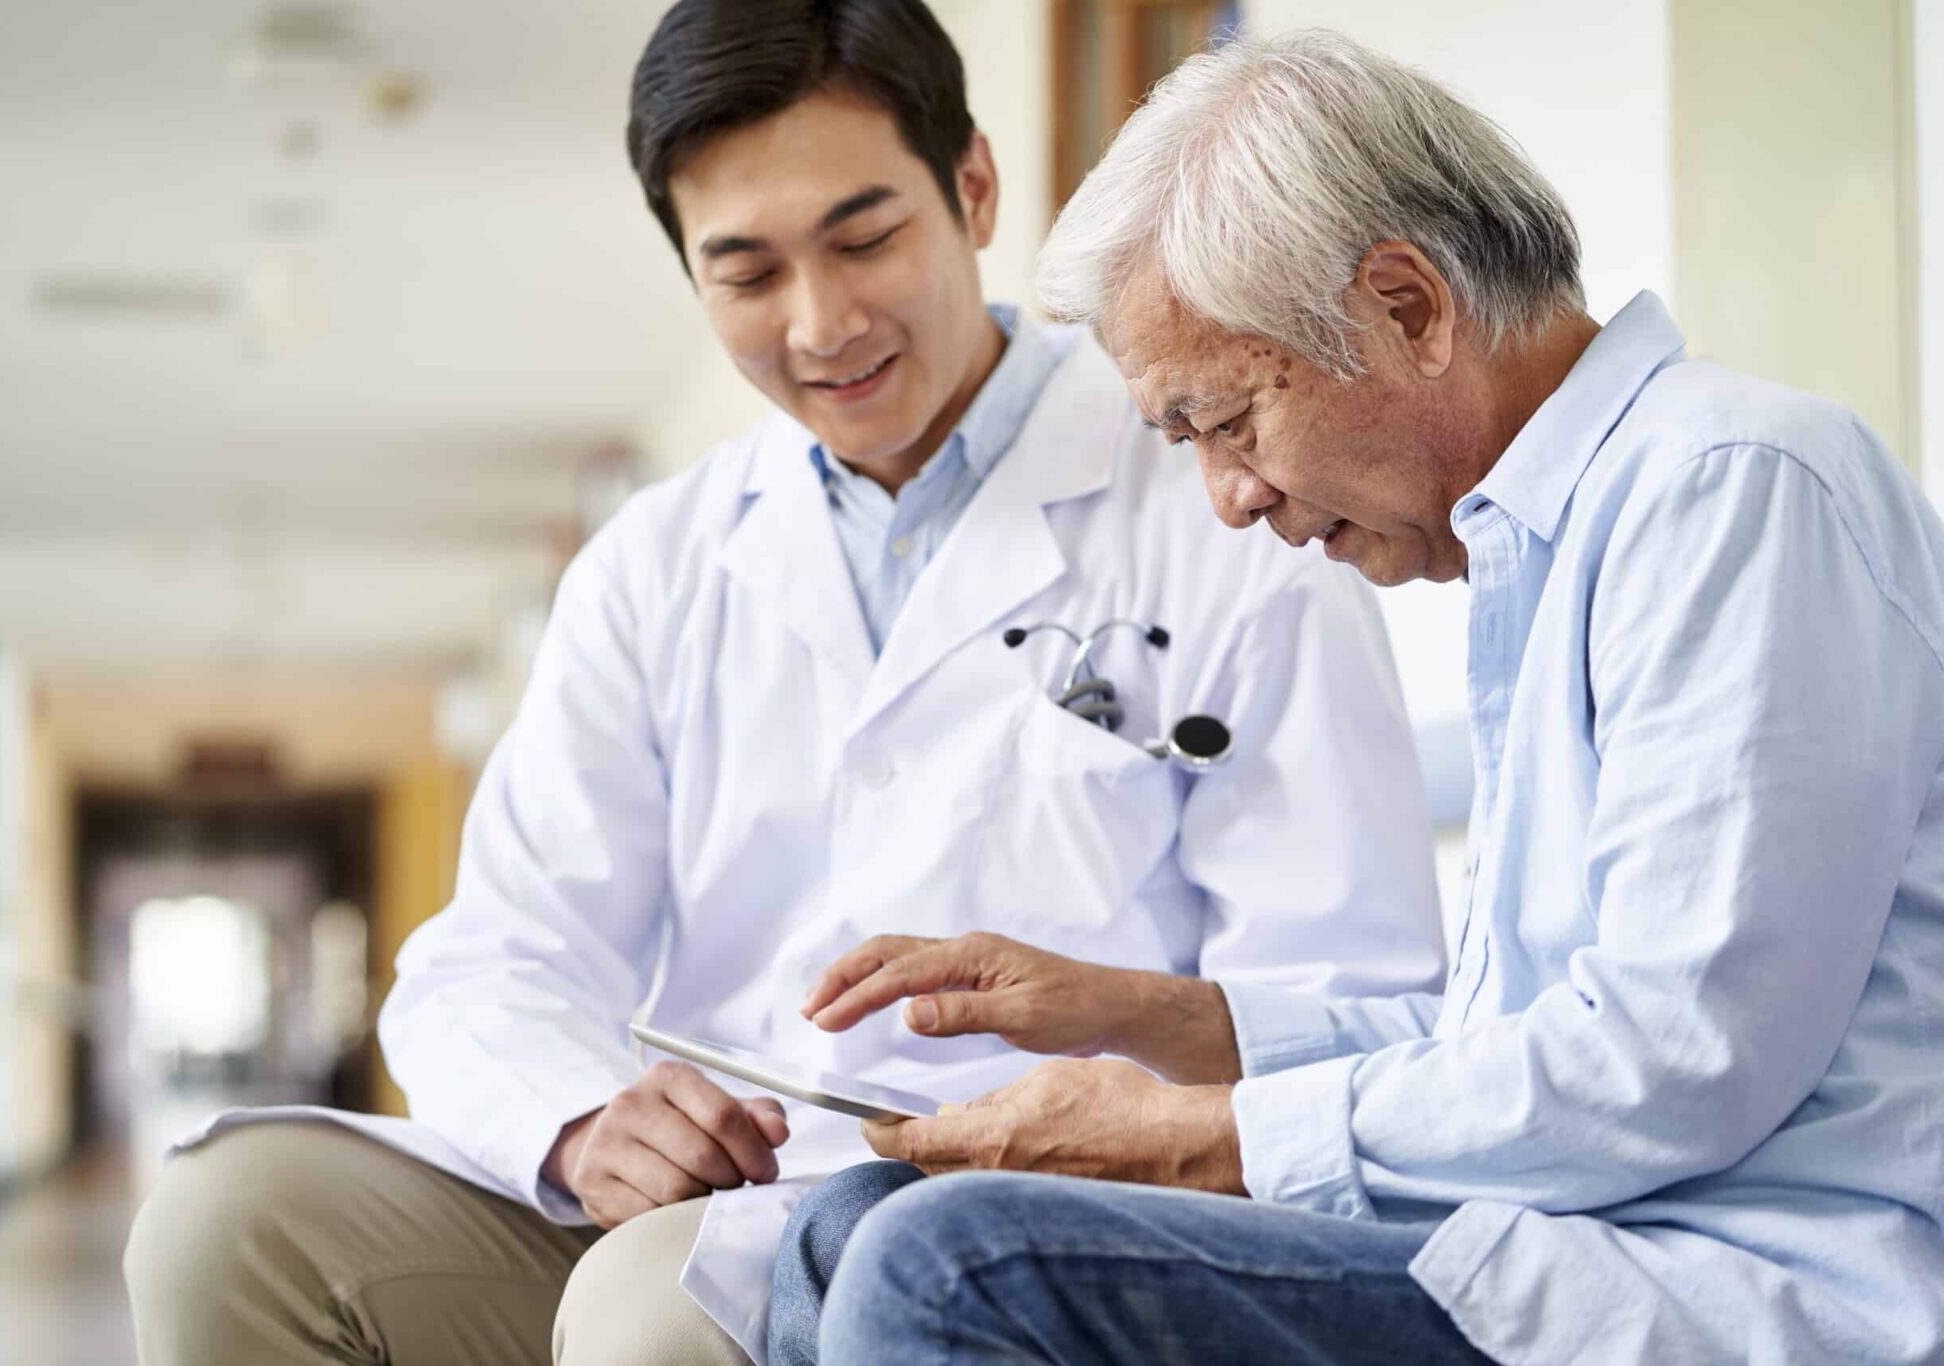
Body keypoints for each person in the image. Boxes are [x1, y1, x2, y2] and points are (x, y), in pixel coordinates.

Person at [121, 7, 1446, 1365]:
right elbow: (498, 959)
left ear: (974, 190)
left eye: (865, 239)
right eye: (747, 271)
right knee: (233, 1220)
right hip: (721, 1194)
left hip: (1058, 1205)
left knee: (654, 1308)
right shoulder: (659, 563)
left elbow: (1348, 986)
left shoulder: (1227, 504)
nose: (822, 322)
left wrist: (1123, 1064)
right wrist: (582, 1122)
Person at [767, 28, 1944, 1366]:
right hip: (1580, 1240)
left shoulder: (1733, 486)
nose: (1230, 497)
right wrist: (1144, 1018)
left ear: (1408, 309)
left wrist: (1201, 1140)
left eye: (1230, 421)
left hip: (1737, 1292)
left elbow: (1672, 1061)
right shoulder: (1548, 552)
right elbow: (1520, 1038)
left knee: (950, 1260)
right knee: (850, 1219)